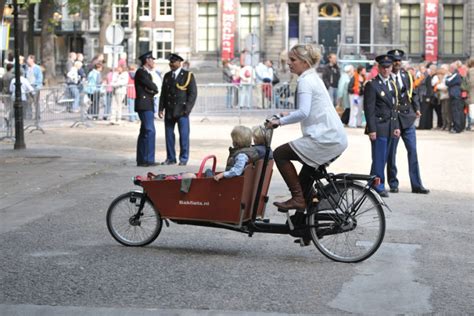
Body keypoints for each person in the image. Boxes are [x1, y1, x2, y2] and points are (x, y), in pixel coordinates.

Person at [266, 44, 348, 210]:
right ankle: (305, 229)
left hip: (324, 138)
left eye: (293, 59)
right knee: (304, 183)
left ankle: (297, 199)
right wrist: (284, 115)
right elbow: (309, 109)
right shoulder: (313, 78)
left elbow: (303, 112)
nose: (289, 63)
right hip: (333, 137)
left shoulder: (305, 81)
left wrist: (279, 122)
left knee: (280, 154)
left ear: (305, 62)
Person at [386, 49, 429, 195]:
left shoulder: (406, 76)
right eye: (394, 60)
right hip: (394, 120)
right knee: (392, 152)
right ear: (390, 62)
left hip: (408, 118)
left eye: (399, 60)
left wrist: (416, 108)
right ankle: (393, 183)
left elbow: (414, 94)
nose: (397, 63)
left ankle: (417, 184)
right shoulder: (386, 78)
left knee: (413, 151)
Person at [363, 54, 400, 197]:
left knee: (385, 157)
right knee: (379, 158)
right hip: (379, 126)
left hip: (390, 125)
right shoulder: (372, 85)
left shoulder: (393, 84)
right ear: (378, 67)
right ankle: (378, 185)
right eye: (383, 67)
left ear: (392, 68)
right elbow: (369, 109)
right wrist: (371, 129)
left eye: (388, 67)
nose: (386, 70)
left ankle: (372, 182)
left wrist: (396, 126)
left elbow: (394, 107)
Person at [158, 53, 198, 166]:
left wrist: (187, 109)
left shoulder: (188, 75)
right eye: (170, 62)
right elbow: (164, 94)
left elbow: (192, 94)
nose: (171, 64)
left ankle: (183, 158)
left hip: (182, 111)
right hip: (170, 110)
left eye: (173, 62)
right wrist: (161, 108)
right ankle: (170, 158)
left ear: (179, 62)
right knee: (169, 136)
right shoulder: (167, 76)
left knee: (184, 136)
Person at [135, 51, 159, 167]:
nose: (153, 62)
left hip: (146, 104)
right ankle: (148, 159)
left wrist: (152, 89)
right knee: (150, 131)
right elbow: (152, 86)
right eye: (152, 59)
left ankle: (142, 159)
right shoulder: (141, 72)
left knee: (144, 131)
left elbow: (153, 89)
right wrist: (152, 89)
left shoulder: (146, 73)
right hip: (144, 105)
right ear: (147, 60)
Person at [445, 62, 464, 133]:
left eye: (450, 68)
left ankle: (457, 128)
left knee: (456, 112)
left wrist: (448, 76)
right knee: (457, 112)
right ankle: (458, 127)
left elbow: (447, 82)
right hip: (456, 95)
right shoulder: (456, 75)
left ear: (453, 68)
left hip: (455, 95)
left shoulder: (455, 75)